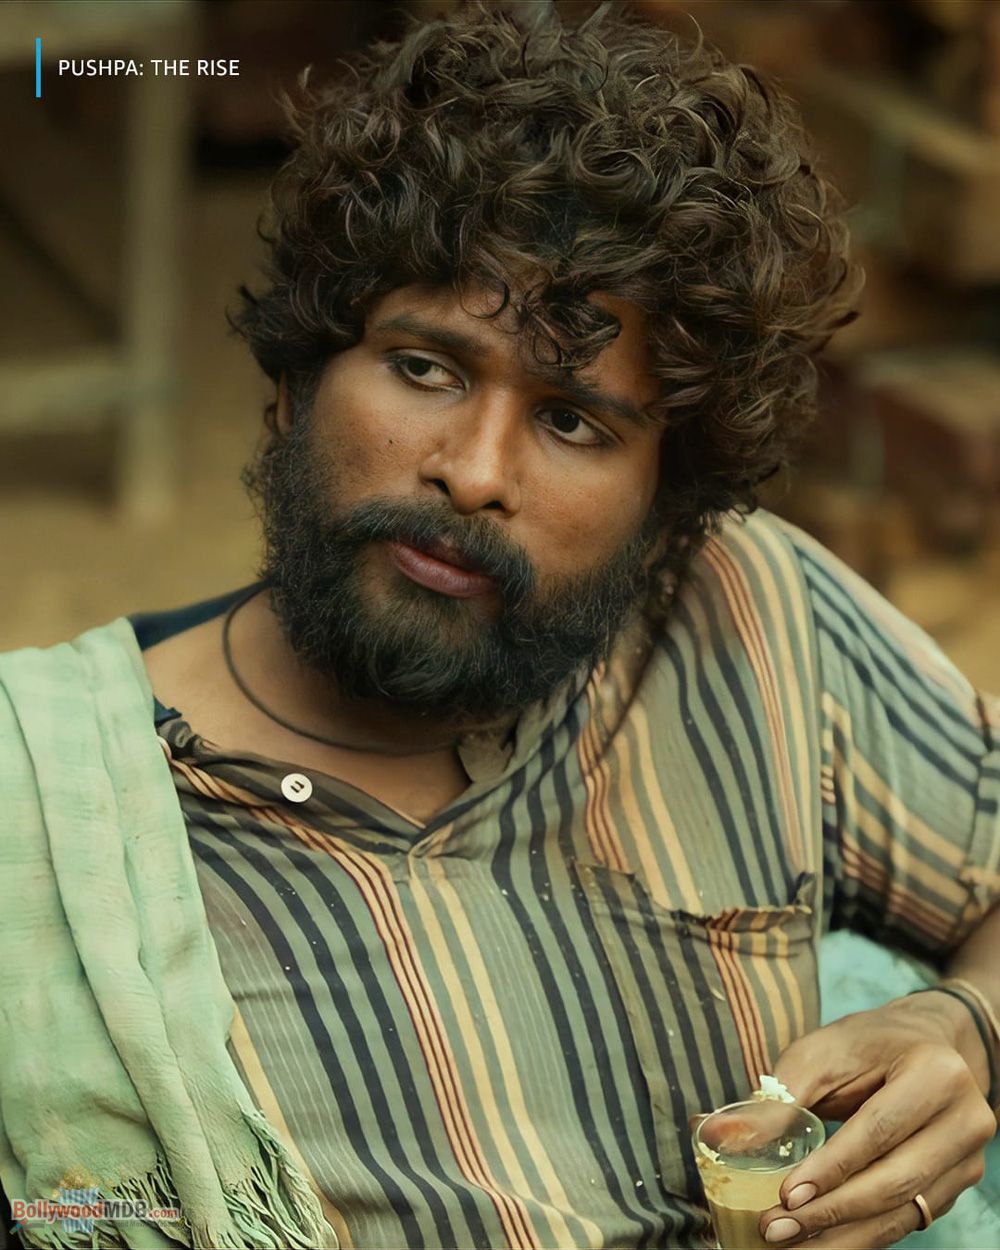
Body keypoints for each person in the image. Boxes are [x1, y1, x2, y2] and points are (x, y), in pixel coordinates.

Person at [1, 4, 997, 1249]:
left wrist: (962, 1022)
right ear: (295, 382)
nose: (473, 472)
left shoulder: (746, 619)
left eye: (572, 419)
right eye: (426, 367)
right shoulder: (47, 818)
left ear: (665, 507)